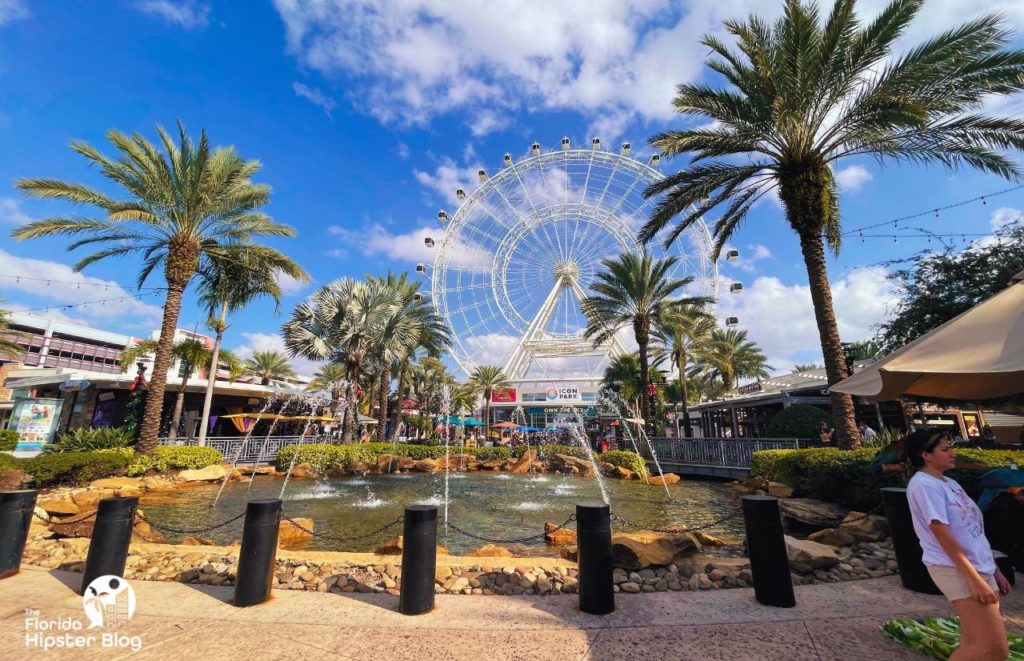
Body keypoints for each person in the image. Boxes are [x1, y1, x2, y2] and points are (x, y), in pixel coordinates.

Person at [905, 430, 1012, 660]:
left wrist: (994, 568)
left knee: (975, 642)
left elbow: (971, 529)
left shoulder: (949, 482)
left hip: (978, 566)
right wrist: (974, 579)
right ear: (926, 455)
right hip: (956, 569)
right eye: (945, 449)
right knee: (993, 650)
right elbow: (941, 533)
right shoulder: (925, 485)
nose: (953, 453)